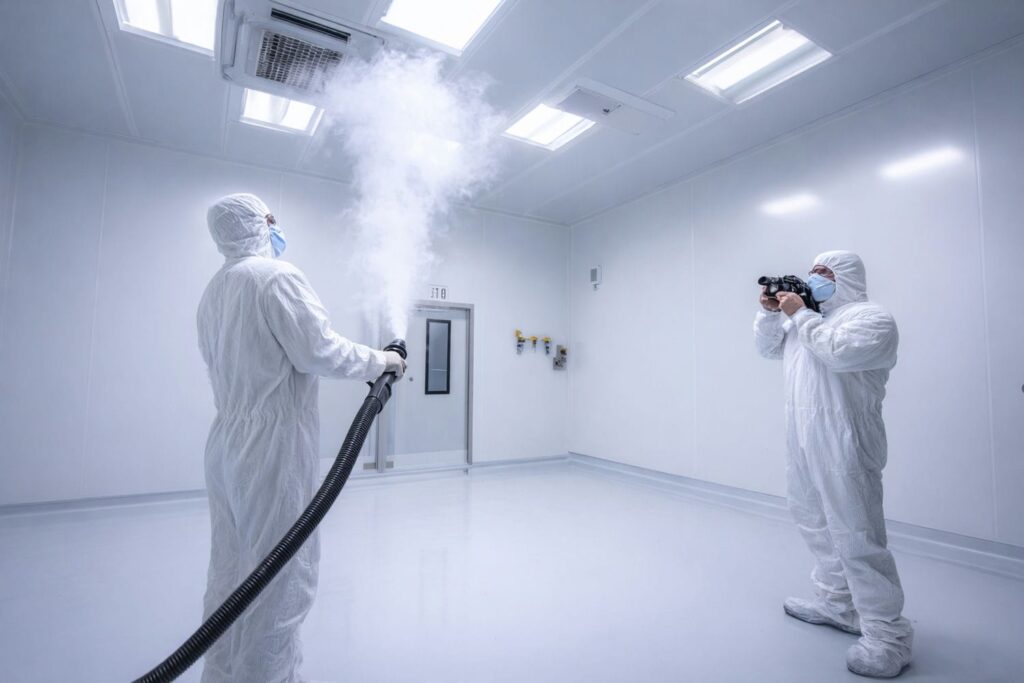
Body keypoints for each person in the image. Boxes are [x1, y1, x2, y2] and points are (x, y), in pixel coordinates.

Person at [197, 193, 406, 682]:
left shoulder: (215, 289)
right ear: (260, 223)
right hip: (272, 450)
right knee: (279, 580)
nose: (277, 225)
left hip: (226, 443)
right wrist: (383, 361)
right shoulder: (276, 277)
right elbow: (319, 350)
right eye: (271, 218)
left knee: (231, 571)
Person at [753, 251, 912, 679]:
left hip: (847, 439)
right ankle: (836, 602)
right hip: (802, 435)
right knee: (812, 520)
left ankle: (887, 634)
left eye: (824, 273)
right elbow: (767, 349)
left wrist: (802, 314)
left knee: (856, 530)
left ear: (848, 278)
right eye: (812, 272)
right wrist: (771, 314)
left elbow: (838, 353)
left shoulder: (871, 318)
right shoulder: (803, 318)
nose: (814, 278)